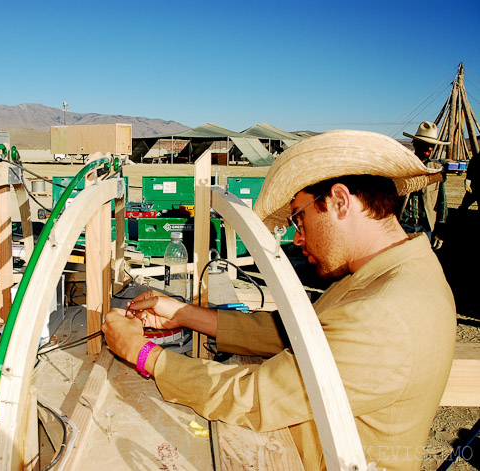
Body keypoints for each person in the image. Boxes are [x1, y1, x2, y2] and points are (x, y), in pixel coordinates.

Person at [102, 130, 456, 471]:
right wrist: (185, 314)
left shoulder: (383, 312)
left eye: (299, 218)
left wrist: (143, 353)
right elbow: (301, 337)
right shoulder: (388, 273)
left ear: (339, 202)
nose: (298, 238)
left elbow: (255, 397)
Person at [400, 121, 449, 248]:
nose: (429, 149)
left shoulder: (436, 171)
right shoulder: (402, 168)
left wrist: (440, 228)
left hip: (425, 226)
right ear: (415, 144)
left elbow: (441, 202)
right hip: (403, 225)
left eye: (432, 145)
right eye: (426, 145)